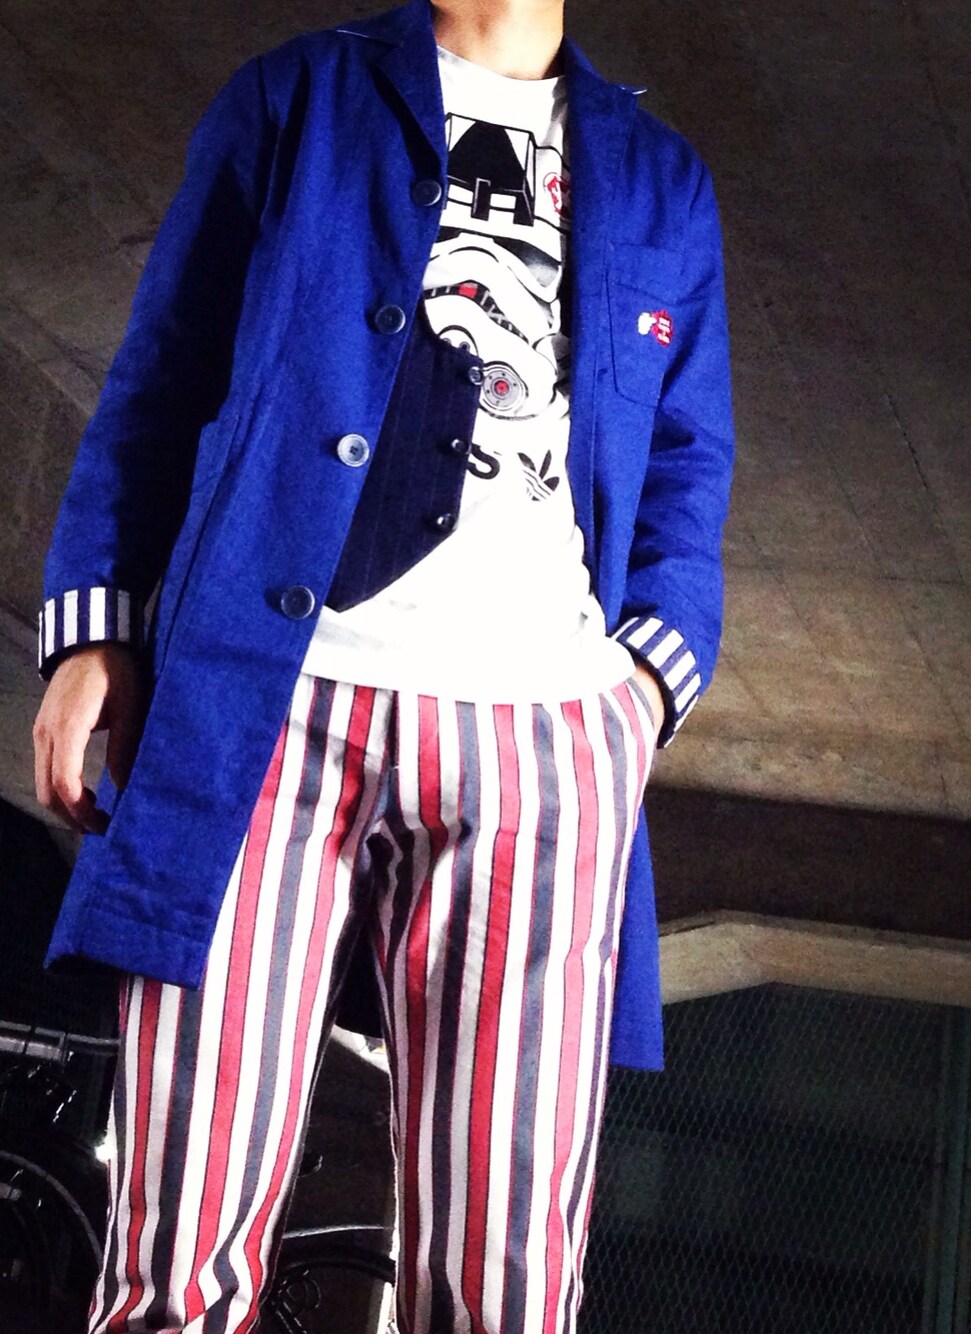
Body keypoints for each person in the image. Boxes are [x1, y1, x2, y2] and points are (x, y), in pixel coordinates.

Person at [31, 0, 735, 1329]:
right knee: (175, 1262)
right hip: (261, 711)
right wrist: (95, 631)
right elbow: (164, 373)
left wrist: (641, 693)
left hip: (543, 747)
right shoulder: (295, 97)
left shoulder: (662, 178)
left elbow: (689, 469)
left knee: (505, 1288)